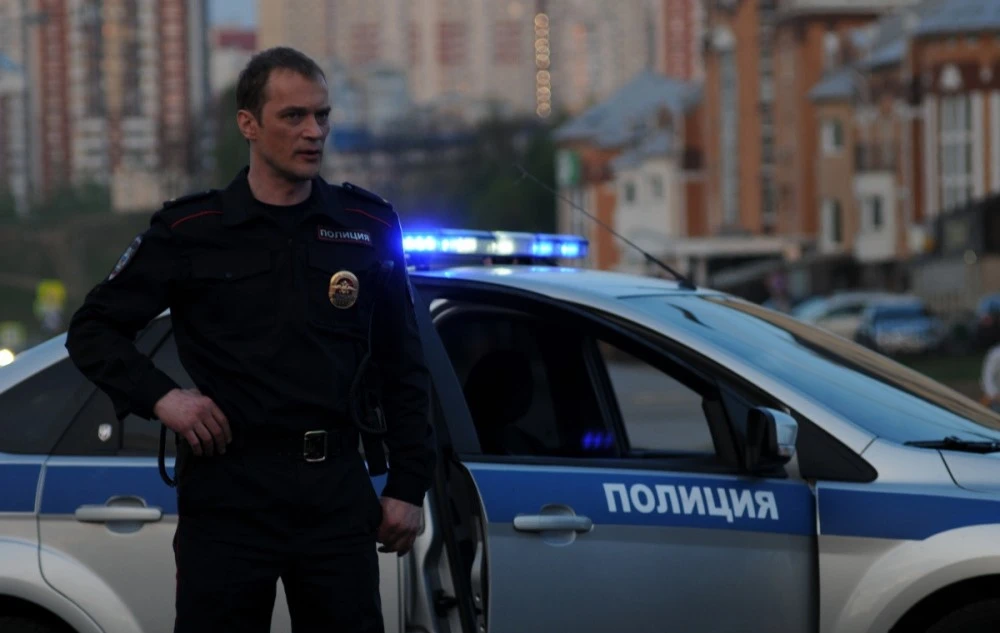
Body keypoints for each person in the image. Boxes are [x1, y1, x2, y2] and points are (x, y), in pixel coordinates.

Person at [64, 47, 436, 633]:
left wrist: (409, 485)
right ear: (249, 124)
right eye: (293, 116)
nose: (314, 132)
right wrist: (165, 398)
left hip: (334, 494)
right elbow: (92, 330)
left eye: (322, 115)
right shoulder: (192, 231)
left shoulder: (365, 226)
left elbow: (403, 364)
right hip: (229, 496)